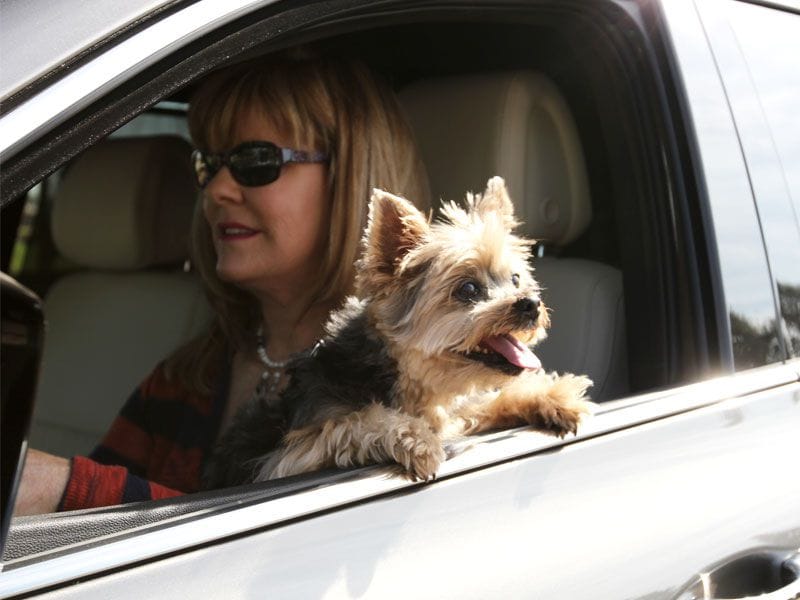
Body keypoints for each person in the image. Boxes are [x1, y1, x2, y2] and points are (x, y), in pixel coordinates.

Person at [14, 47, 429, 515]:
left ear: (350, 177)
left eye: (256, 161)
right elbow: (77, 536)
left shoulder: (416, 386)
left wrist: (62, 486)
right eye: (209, 165)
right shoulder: (187, 377)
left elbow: (285, 551)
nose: (216, 190)